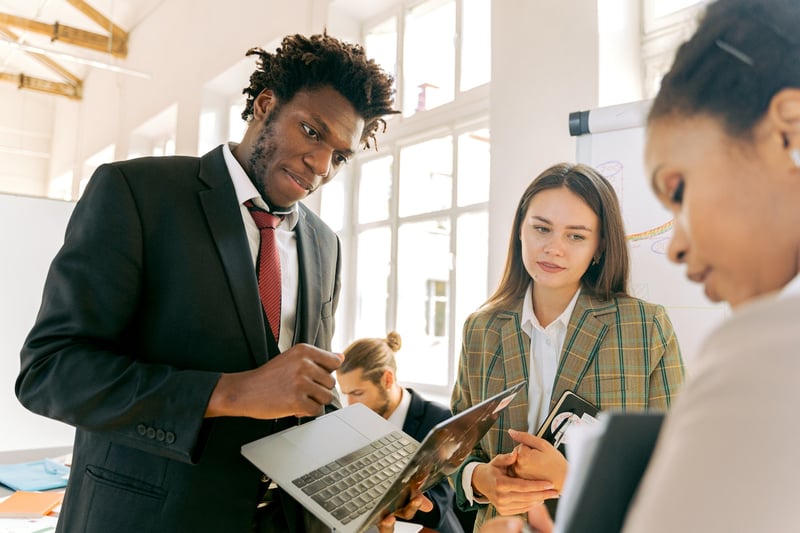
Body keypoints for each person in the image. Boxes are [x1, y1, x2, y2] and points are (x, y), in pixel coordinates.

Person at [15, 33, 407, 533]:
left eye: (340, 155)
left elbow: (297, 397)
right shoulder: (137, 194)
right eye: (311, 131)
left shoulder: (324, 244)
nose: (322, 166)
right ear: (265, 105)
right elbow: (51, 373)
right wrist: (230, 392)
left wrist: (366, 486)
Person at [450, 162, 685, 531]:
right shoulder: (480, 329)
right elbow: (454, 453)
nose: (553, 248)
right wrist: (479, 479)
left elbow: (678, 466)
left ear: (599, 246)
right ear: (520, 232)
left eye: (575, 236)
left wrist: (569, 478)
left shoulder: (645, 327)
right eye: (541, 228)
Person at [336, 331, 477, 533]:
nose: (349, 404)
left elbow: (439, 506)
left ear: (387, 379)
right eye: (346, 394)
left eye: (357, 393)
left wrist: (401, 497)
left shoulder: (438, 419)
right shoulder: (355, 422)